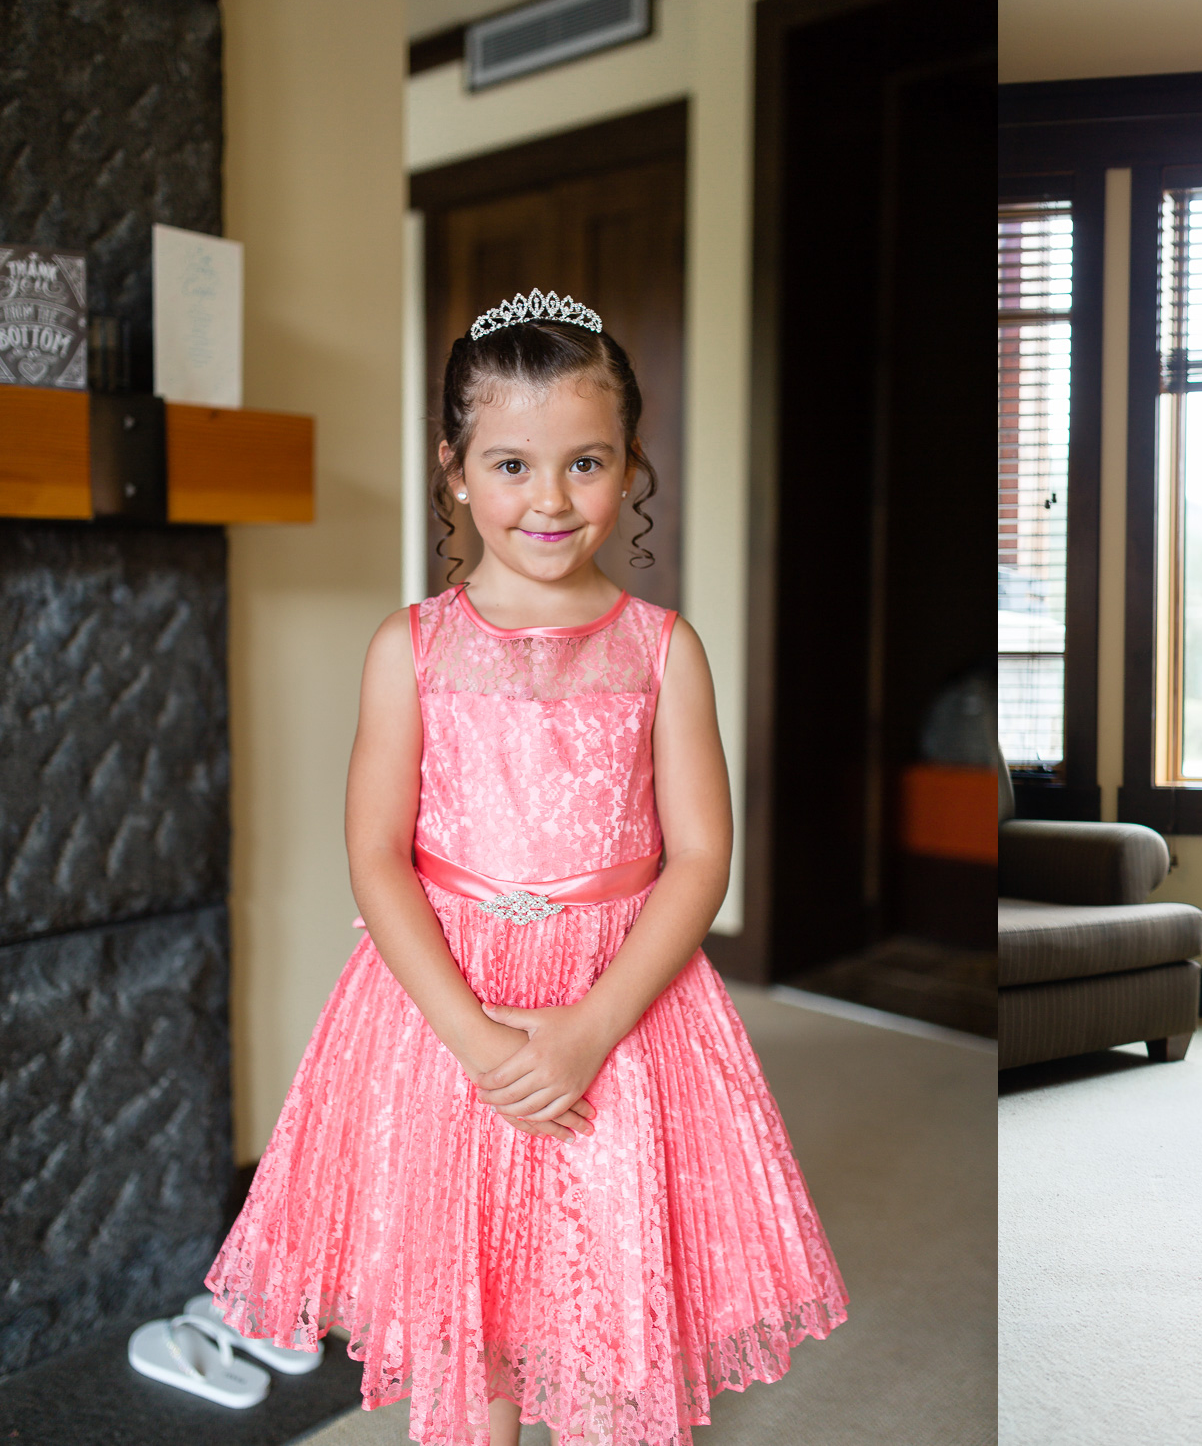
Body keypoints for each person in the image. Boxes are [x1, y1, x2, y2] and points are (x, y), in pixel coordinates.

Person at [206, 291, 847, 1445]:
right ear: (454, 470)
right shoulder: (411, 648)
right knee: (474, 1283)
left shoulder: (664, 651)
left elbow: (701, 855)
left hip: (621, 1002)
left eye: (585, 462)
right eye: (511, 464)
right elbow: (376, 853)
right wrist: (473, 1038)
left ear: (629, 465)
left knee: (602, 1274)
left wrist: (592, 1029)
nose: (549, 499)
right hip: (450, 1004)